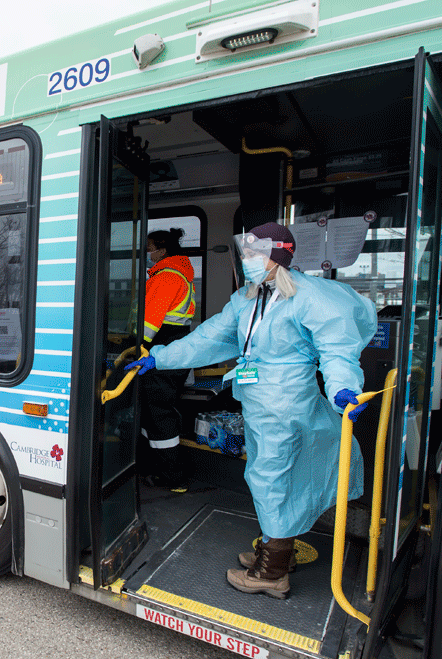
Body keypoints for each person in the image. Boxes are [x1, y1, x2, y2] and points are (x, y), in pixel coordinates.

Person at [127, 222, 376, 598]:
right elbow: (211, 336)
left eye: (256, 255)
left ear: (278, 256)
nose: (249, 261)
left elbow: (336, 348)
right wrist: (160, 358)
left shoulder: (309, 297)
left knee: (271, 478)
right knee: (269, 475)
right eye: (247, 254)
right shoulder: (249, 298)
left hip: (286, 402)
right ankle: (277, 550)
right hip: (259, 402)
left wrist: (343, 389)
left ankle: (271, 572)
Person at [137, 228, 196, 493]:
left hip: (162, 353)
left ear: (162, 251)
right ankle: (153, 470)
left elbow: (148, 325)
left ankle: (174, 478)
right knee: (153, 414)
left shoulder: (167, 278)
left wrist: (133, 348)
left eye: (149, 249)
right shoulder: (176, 275)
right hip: (170, 351)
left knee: (159, 415)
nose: (147, 254)